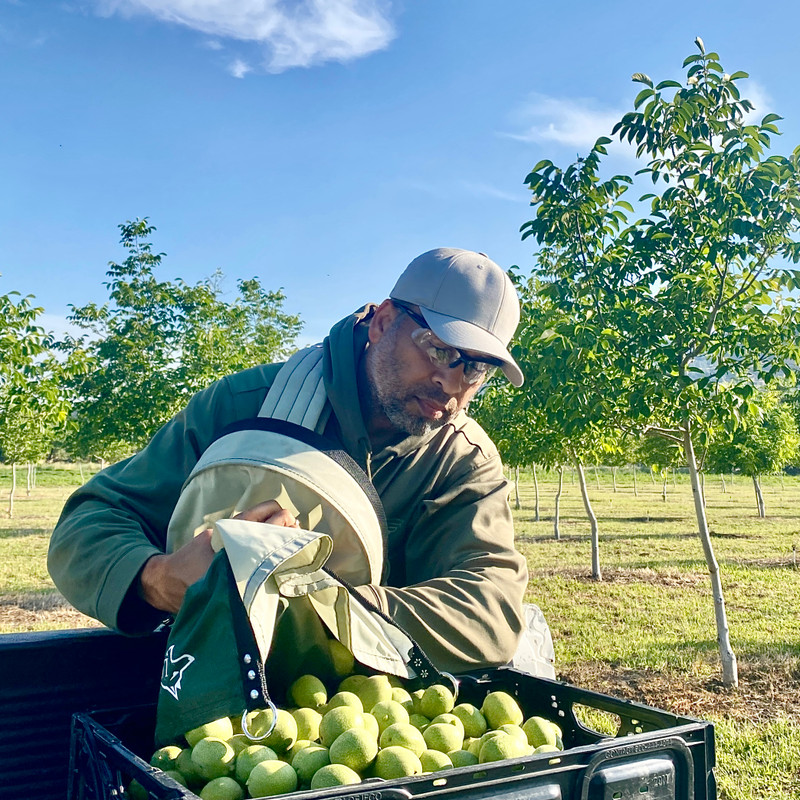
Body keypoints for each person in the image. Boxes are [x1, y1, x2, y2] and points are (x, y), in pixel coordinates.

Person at [48, 247, 528, 673]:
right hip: (213, 689)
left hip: (375, 720)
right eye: (439, 349)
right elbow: (89, 523)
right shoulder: (244, 408)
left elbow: (492, 608)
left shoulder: (461, 460)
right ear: (383, 323)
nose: (454, 384)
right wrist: (160, 579)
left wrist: (321, 607)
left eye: (477, 368)